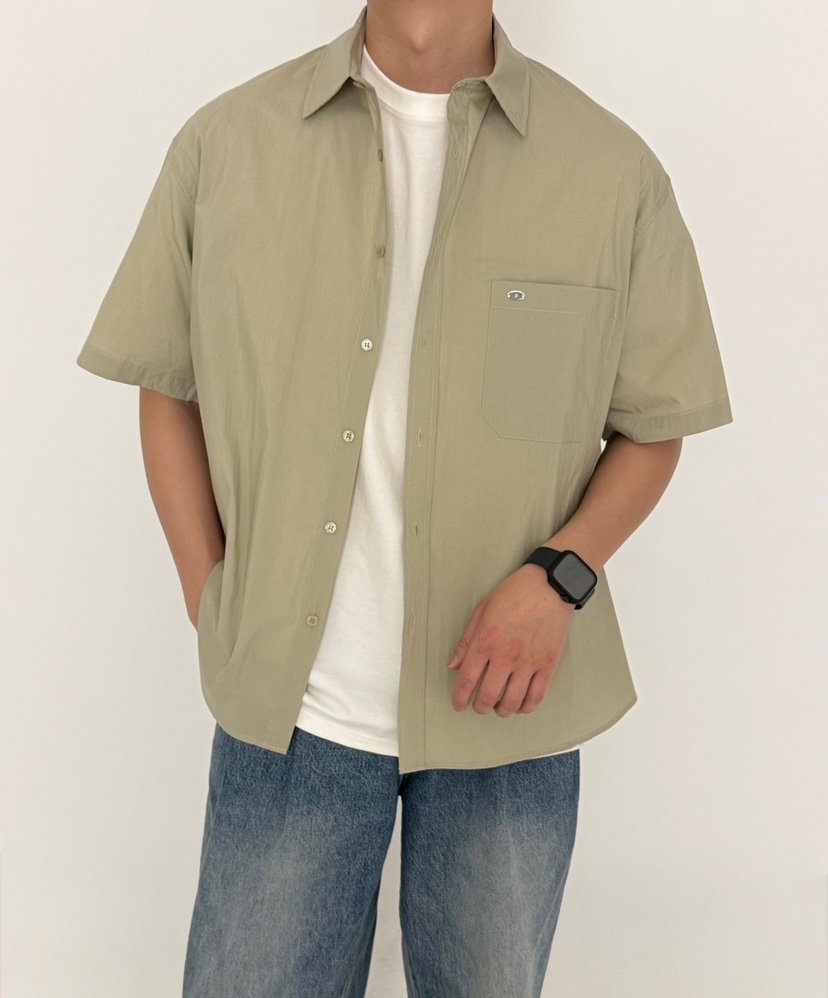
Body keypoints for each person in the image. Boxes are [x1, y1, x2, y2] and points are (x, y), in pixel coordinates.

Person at [75, 2, 733, 995]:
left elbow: (655, 422)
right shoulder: (228, 143)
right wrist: (209, 595)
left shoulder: (611, 171)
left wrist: (560, 577)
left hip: (508, 713)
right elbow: (166, 381)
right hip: (290, 707)